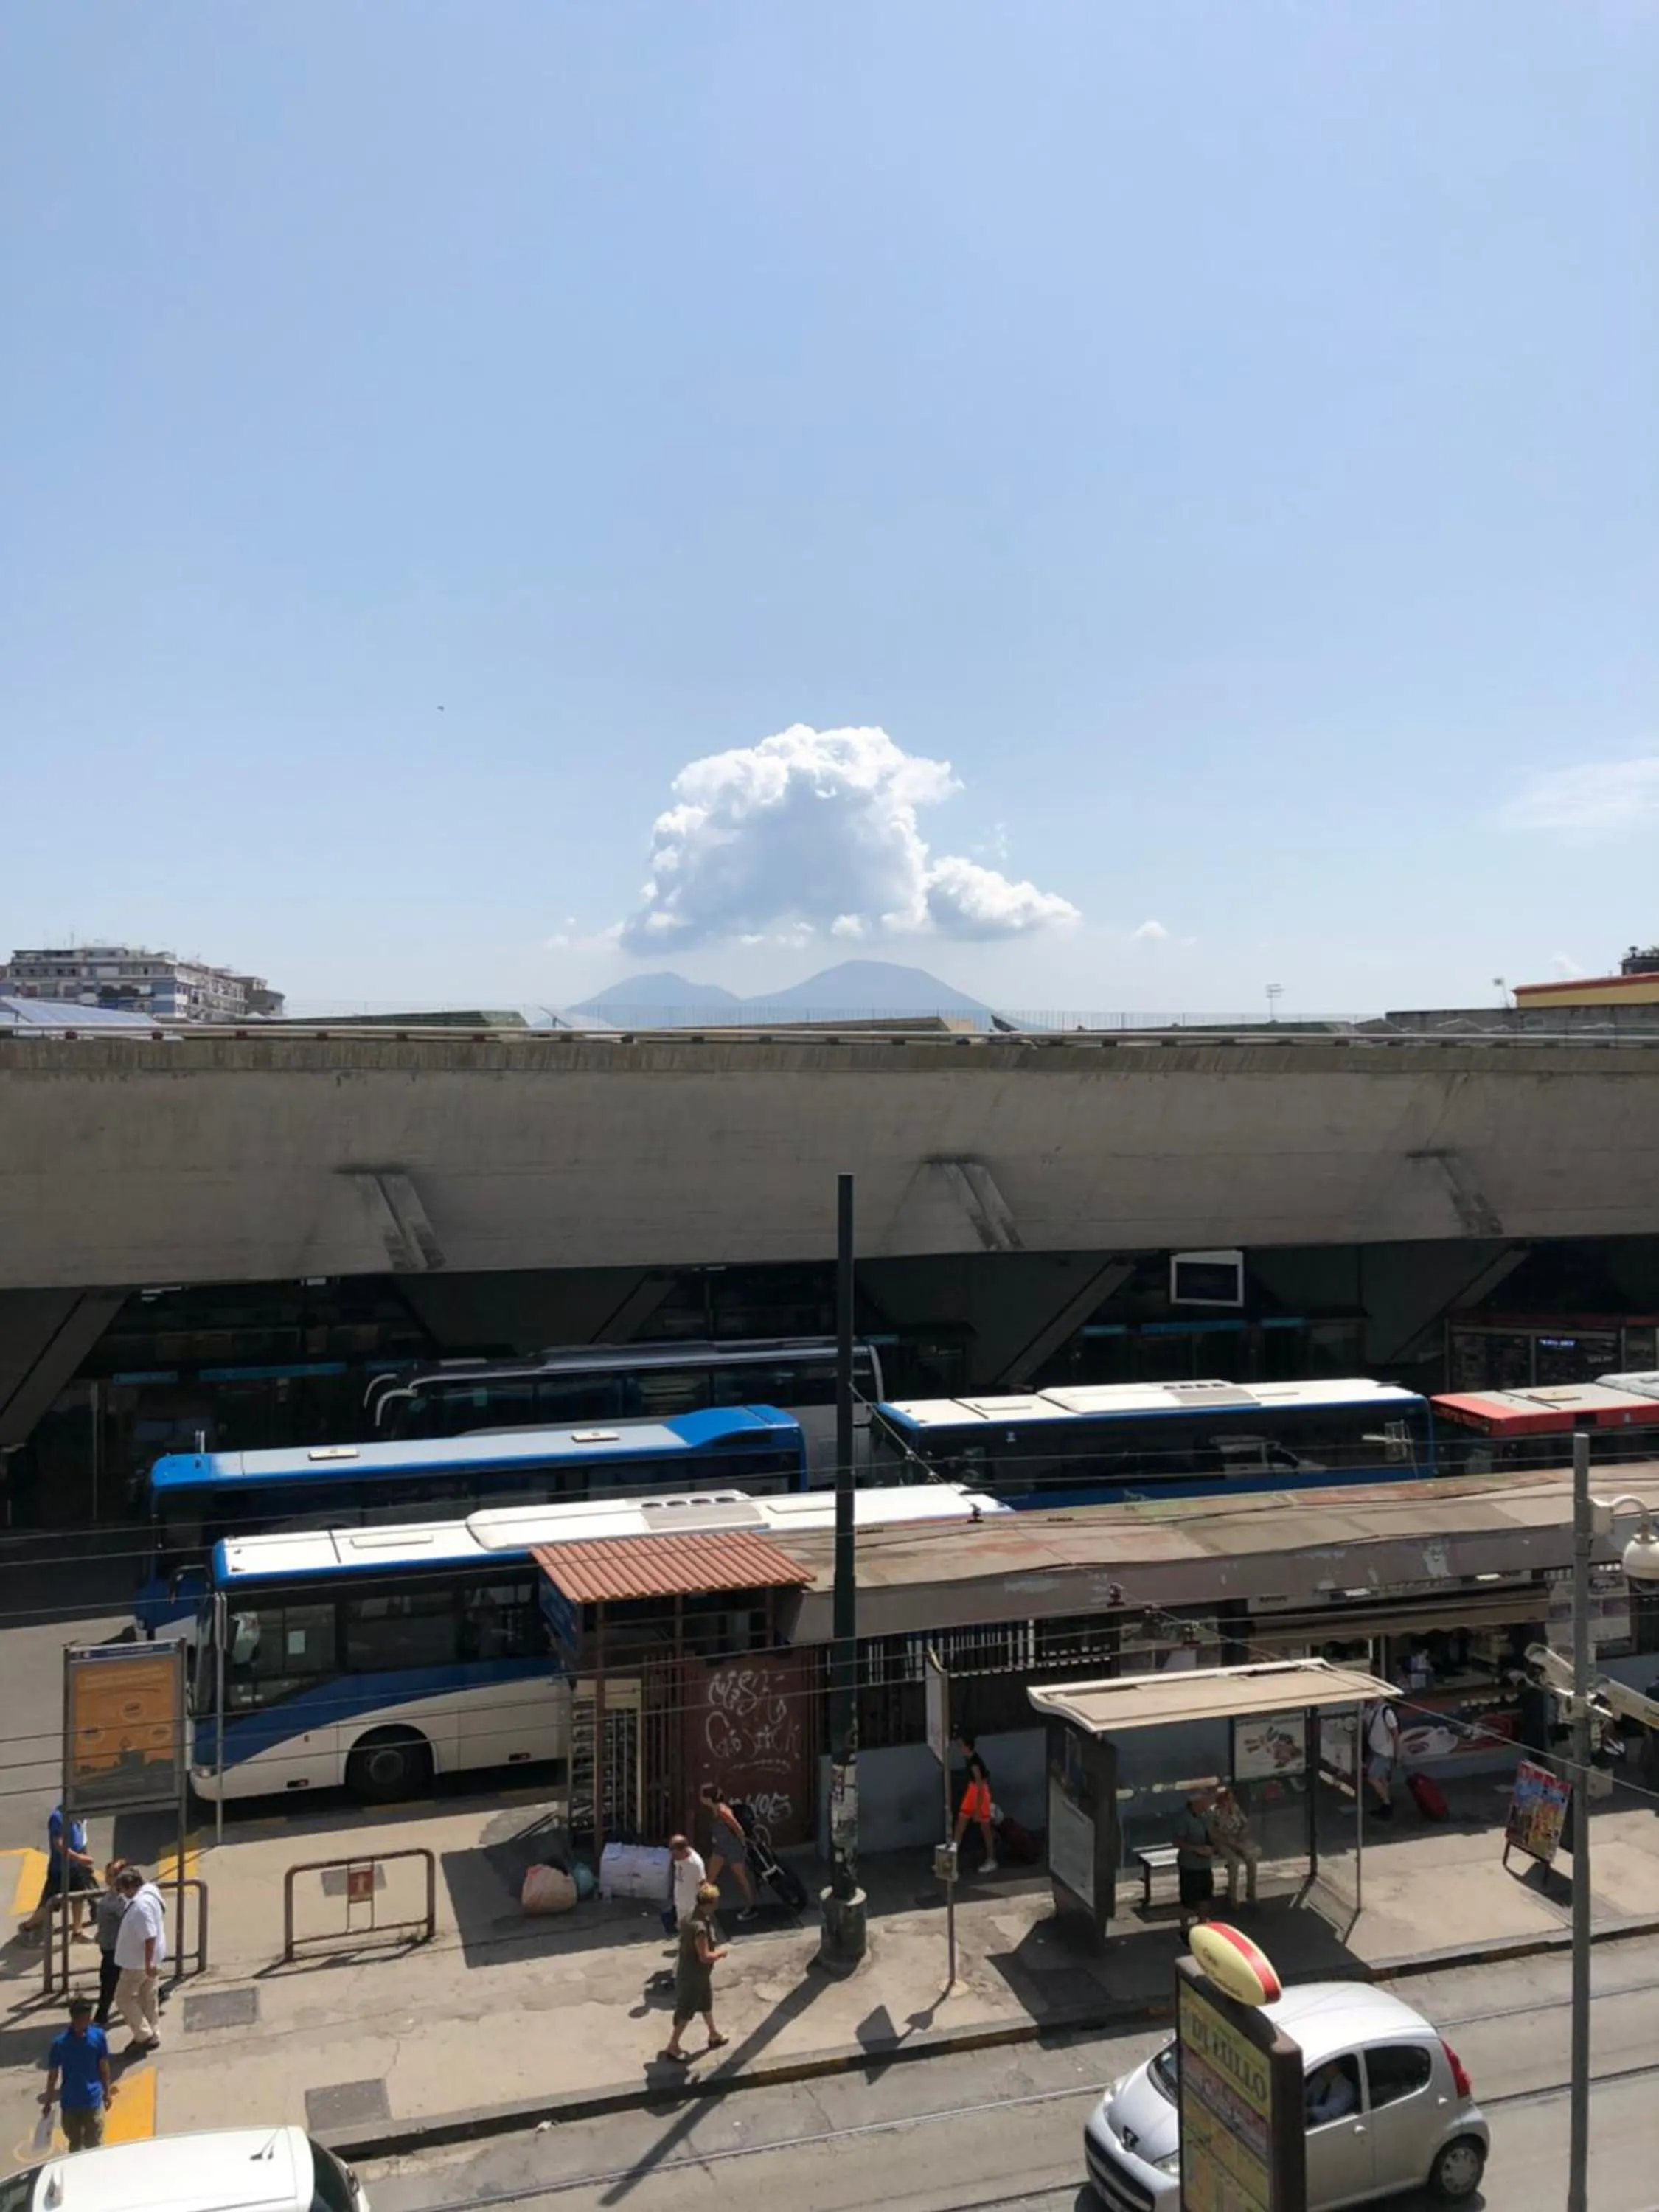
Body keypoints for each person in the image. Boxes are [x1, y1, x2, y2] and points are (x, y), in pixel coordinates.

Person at [659, 1882, 729, 2065]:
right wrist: (720, 1954)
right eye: (716, 1902)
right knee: (685, 2011)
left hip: (697, 1974)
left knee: (706, 2004)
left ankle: (714, 2035)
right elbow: (704, 1956)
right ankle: (673, 2045)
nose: (717, 1905)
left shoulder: (690, 1915)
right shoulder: (700, 1928)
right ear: (710, 1903)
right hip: (693, 1976)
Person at [40, 1994, 117, 2153]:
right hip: (70, 2104)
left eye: (89, 2018)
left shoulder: (98, 2037)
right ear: (74, 2019)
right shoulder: (60, 2044)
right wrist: (48, 2102)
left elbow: (104, 2067)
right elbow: (53, 2075)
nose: (88, 2022)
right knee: (74, 2145)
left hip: (93, 2101)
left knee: (94, 2144)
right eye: (84, 2019)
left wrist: (107, 2092)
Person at [21, 1805, 98, 1942]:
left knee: (78, 1897)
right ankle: (27, 1926)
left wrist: (83, 1858)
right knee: (50, 1903)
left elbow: (81, 1838)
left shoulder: (78, 1813)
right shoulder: (58, 1817)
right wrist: (79, 1858)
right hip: (60, 1870)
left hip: (75, 1867)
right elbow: (59, 1845)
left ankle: (77, 1932)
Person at [111, 1864, 167, 2054]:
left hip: (138, 1963)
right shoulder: (151, 1892)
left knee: (123, 1998)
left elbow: (149, 1936)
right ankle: (153, 2033)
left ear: (130, 1887)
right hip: (151, 1958)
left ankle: (144, 2035)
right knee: (148, 1996)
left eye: (122, 1889)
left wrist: (148, 1963)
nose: (122, 1894)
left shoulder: (140, 1908)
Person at [699, 1783, 758, 1921]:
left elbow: (738, 1829)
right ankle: (702, 1907)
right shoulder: (714, 1809)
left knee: (740, 1877)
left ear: (708, 1799)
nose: (700, 1798)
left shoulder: (722, 1811)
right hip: (721, 1847)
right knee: (710, 1878)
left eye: (702, 1796)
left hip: (732, 1848)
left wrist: (743, 1846)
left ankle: (752, 1906)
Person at [1206, 1785, 1260, 1906]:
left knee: (1251, 1860)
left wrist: (1242, 1834)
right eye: (1226, 1798)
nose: (1229, 1801)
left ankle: (1251, 1892)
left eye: (1230, 1798)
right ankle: (1232, 1896)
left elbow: (1245, 1823)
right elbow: (1213, 1833)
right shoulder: (1213, 1812)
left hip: (1238, 1838)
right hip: (1223, 1842)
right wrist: (1231, 1843)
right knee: (1234, 1862)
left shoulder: (1235, 1808)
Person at [1172, 1787, 1215, 1938]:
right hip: (1190, 1866)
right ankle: (1184, 1929)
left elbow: (1212, 1835)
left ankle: (1202, 1925)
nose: (1207, 1802)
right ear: (1196, 1802)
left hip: (1205, 1865)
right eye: (1204, 1799)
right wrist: (1196, 1849)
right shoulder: (1184, 1818)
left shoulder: (1207, 1816)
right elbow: (1177, 1841)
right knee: (1188, 1900)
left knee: (1205, 1897)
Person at [92, 1860, 129, 2029]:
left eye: (113, 1875)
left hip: (116, 1948)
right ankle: (158, 1995)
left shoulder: (121, 1900)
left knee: (108, 1981)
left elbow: (127, 1919)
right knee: (131, 1975)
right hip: (109, 1944)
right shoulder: (113, 1895)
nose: (108, 1878)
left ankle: (101, 2016)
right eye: (108, 1874)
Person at [952, 1734, 997, 1874]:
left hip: (979, 1792)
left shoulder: (974, 1763)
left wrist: (978, 1807)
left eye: (961, 1746)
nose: (959, 1749)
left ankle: (991, 1858)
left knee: (985, 1828)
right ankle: (951, 1858)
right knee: (960, 1825)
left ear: (967, 1747)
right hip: (973, 1791)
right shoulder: (969, 1759)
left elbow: (980, 1784)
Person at [661, 1833, 706, 1938]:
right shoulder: (678, 1858)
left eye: (675, 1854)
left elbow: (703, 1884)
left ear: (683, 1850)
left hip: (691, 1906)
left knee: (692, 1933)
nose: (673, 1857)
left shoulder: (695, 1864)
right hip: (680, 1902)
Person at [1366, 1697, 1401, 1821]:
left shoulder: (1386, 1712)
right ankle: (1385, 1803)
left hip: (1384, 1752)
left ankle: (1387, 1803)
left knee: (1372, 1778)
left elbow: (1395, 1733)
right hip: (1376, 1750)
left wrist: (1397, 1753)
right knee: (1382, 1779)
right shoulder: (1369, 1710)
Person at [1305, 2059, 1358, 2126]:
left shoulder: (1346, 2089)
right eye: (1322, 2065)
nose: (1322, 2068)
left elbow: (1328, 2112)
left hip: (1333, 2125)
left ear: (1337, 2066)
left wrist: (1308, 2111)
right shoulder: (1319, 2079)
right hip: (1312, 2123)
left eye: (1327, 2065)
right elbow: (1306, 2094)